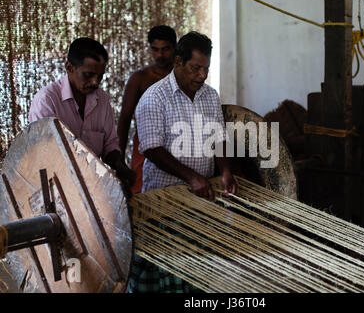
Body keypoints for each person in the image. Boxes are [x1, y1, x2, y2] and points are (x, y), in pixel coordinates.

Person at [130, 31, 237, 293]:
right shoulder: (154, 98)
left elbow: (218, 136)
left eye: (206, 69)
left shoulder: (210, 95)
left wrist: (225, 171)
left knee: (196, 274)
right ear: (178, 62)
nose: (201, 75)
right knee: (165, 274)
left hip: (201, 200)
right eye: (195, 68)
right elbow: (152, 149)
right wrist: (192, 177)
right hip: (165, 202)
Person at [29, 37, 135, 191]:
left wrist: (120, 166)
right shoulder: (46, 101)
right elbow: (45, 155)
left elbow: (109, 145)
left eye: (100, 76)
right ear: (69, 68)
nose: (95, 82)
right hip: (54, 189)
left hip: (90, 187)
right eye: (88, 75)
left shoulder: (102, 99)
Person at [117, 25, 177, 195]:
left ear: (174, 48)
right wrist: (119, 159)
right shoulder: (140, 78)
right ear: (149, 49)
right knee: (142, 191)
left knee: (176, 191)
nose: (160, 55)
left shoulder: (182, 77)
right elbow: (125, 118)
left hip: (177, 142)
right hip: (145, 144)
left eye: (165, 49)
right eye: (155, 49)